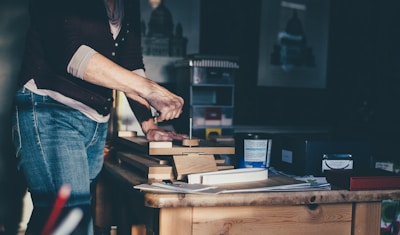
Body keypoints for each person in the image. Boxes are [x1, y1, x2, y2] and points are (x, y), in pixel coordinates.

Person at [11, 0, 187, 234]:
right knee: (71, 219)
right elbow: (70, 54)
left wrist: (149, 124)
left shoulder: (129, 5)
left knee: (53, 216)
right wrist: (150, 89)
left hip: (95, 123)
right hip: (51, 112)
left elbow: (131, 62)